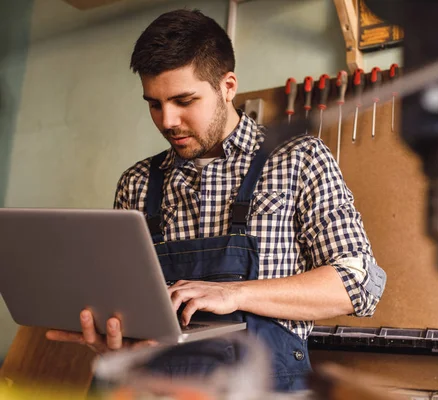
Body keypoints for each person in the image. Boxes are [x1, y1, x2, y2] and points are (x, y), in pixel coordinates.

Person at [46, 8, 386, 392]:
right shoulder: (137, 183)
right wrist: (112, 343)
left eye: (184, 100)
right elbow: (124, 308)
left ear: (227, 86)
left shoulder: (299, 159)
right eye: (154, 104)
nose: (168, 120)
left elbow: (358, 282)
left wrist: (233, 293)